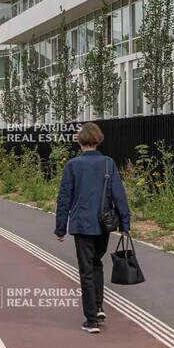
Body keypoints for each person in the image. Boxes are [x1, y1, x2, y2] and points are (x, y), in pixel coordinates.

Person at [54, 122, 130, 333]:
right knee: (97, 264)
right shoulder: (108, 163)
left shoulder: (73, 165)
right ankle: (98, 306)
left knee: (86, 270)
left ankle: (91, 319)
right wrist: (125, 224)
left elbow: (64, 198)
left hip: (81, 224)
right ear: (98, 139)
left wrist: (60, 228)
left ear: (80, 141)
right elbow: (119, 195)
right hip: (103, 224)